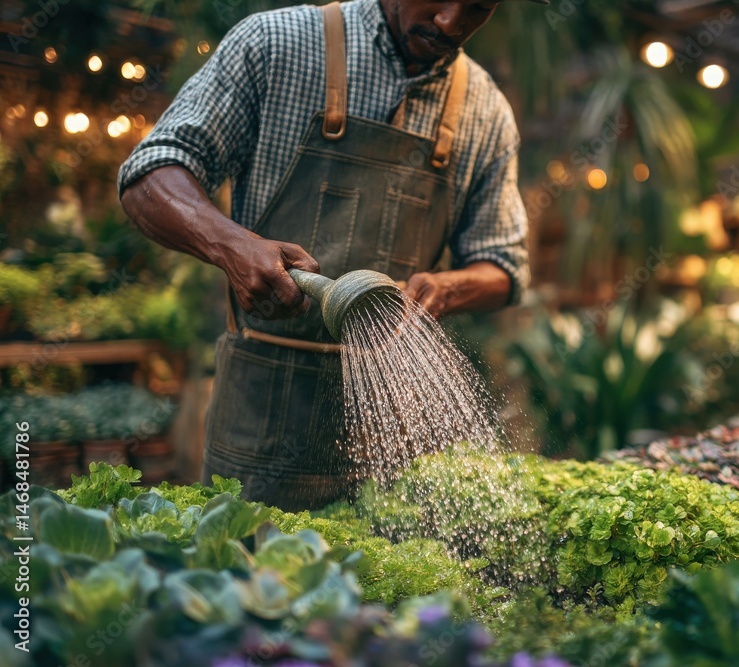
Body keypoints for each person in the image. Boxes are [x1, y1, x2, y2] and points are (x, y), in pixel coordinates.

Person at [118, 0, 547, 510]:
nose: (451, 22)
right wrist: (233, 245)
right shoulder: (276, 45)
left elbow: (505, 267)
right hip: (263, 427)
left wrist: (446, 289)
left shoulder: (486, 110)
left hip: (394, 436)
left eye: (477, 7)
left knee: (396, 560)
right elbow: (150, 173)